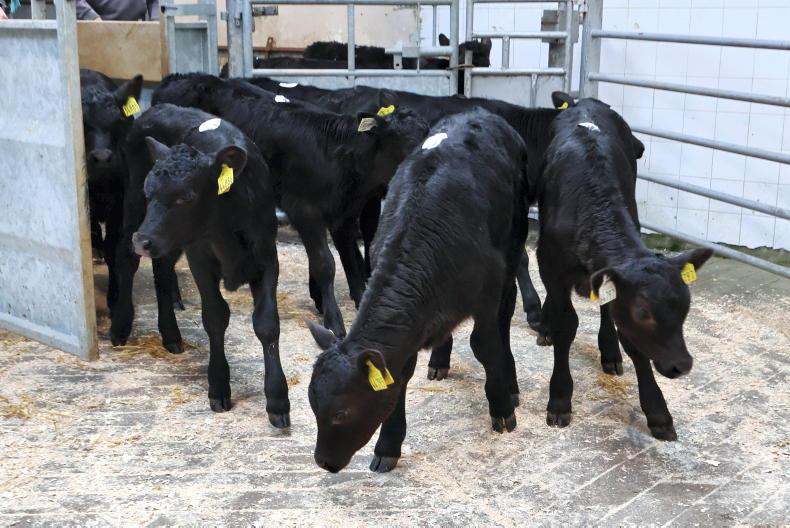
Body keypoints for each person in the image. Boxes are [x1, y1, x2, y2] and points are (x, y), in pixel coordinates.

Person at [76, 0, 159, 21]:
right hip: (99, 32)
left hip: (139, 32)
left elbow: (154, 1)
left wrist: (156, 19)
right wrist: (91, 17)